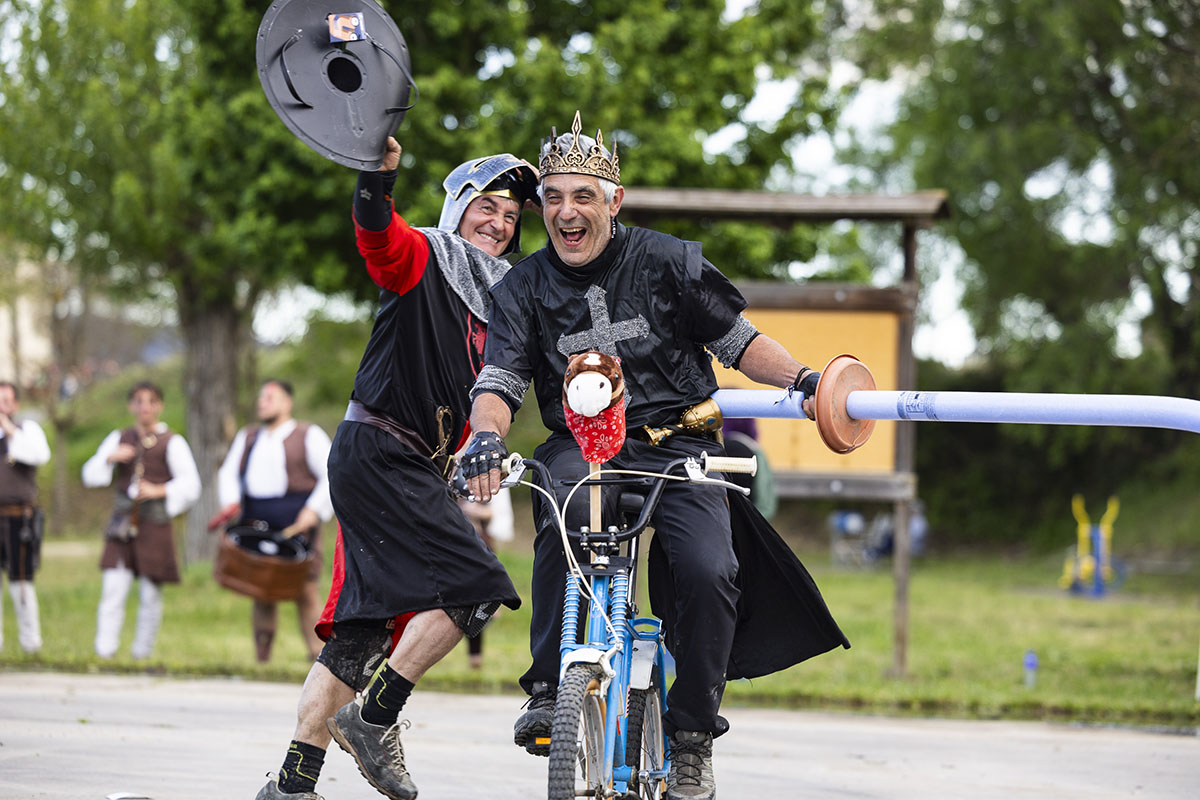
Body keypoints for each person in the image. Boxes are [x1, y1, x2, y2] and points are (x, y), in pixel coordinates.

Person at [464, 112, 850, 800]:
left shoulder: (669, 262)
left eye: (582, 195)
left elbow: (737, 342)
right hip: (580, 447)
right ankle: (551, 687)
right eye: (552, 197)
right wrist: (486, 436)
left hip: (681, 445)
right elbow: (498, 381)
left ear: (614, 202)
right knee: (560, 506)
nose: (565, 211)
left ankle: (694, 736)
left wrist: (803, 378)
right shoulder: (522, 287)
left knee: (709, 569)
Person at [255, 136, 535, 800]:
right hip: (382, 453)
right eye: (487, 206)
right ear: (458, 207)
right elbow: (379, 237)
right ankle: (376, 717)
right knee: (478, 587)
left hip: (398, 466)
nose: (498, 223)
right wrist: (376, 179)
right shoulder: (426, 257)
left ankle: (292, 786)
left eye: (510, 216)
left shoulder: (509, 305)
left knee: (357, 638)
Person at [82, 380, 201, 660]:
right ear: (131, 405)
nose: (144, 407)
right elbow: (90, 475)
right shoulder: (120, 437)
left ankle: (141, 653)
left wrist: (160, 490)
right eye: (139, 401)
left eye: (150, 401)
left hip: (155, 524)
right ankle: (105, 651)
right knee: (113, 587)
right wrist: (110, 458)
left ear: (159, 406)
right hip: (122, 525)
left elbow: (192, 485)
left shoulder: (172, 441)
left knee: (150, 593)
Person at [216, 378, 333, 662]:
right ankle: (262, 660)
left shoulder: (308, 434)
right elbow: (228, 474)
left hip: (297, 520)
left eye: (269, 397)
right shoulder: (248, 437)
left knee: (305, 588)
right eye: (260, 397)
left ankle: (319, 659)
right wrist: (231, 501)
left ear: (286, 402)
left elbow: (332, 472)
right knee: (261, 588)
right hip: (257, 520)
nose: (262, 402)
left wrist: (313, 510)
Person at [0, 381, 51, 654]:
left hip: (19, 516)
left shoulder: (26, 431)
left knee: (21, 582)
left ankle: (30, 644)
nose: (1, 407)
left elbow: (39, 455)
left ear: (15, 405)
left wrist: (9, 430)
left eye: (5, 401)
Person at [456, 487, 515, 668]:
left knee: (475, 609)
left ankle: (476, 658)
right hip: (459, 547)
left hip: (478, 545)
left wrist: (476, 512)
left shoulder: (484, 540)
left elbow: (496, 514)